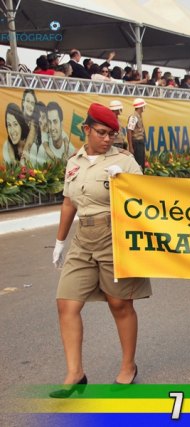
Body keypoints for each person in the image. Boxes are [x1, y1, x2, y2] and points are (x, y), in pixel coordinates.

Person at [49, 103, 151, 398]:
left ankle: (128, 365)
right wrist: (59, 242)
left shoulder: (125, 160)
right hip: (83, 237)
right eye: (102, 133)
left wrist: (127, 182)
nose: (107, 139)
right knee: (66, 303)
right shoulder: (74, 162)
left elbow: (148, 199)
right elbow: (69, 202)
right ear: (87, 129)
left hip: (114, 235)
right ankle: (74, 373)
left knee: (119, 304)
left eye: (112, 134)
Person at [127, 98, 147, 171]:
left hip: (139, 142)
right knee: (138, 163)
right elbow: (129, 131)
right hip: (136, 143)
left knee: (141, 162)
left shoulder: (138, 116)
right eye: (143, 106)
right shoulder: (133, 117)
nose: (143, 108)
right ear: (140, 107)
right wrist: (131, 147)